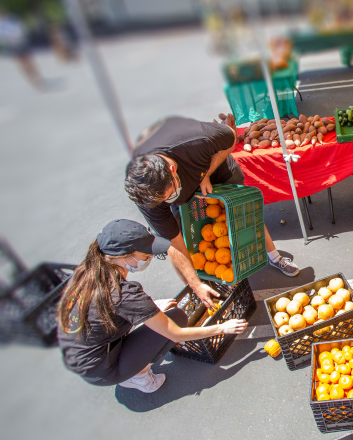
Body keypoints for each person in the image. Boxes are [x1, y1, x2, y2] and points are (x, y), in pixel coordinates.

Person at [124, 114, 300, 310]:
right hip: (177, 185)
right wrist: (195, 284)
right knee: (180, 236)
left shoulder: (194, 140)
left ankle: (275, 257)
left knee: (243, 215)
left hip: (217, 173)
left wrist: (206, 174)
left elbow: (230, 138)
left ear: (173, 170)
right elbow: (174, 243)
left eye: (168, 195)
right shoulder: (146, 193)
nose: (167, 201)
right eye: (161, 201)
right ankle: (194, 291)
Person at [58, 220, 248, 393]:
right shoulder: (123, 295)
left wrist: (150, 309)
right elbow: (175, 333)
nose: (150, 255)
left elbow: (107, 308)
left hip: (79, 349)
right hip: (101, 368)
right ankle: (136, 376)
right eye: (145, 252)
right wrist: (222, 328)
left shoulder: (90, 269)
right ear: (125, 257)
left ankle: (131, 357)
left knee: (142, 295)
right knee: (177, 318)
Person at [0, 11, 42, 88]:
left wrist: (20, 36)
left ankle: (37, 76)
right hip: (12, 45)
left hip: (20, 42)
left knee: (28, 60)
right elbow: (2, 37)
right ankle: (32, 79)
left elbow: (21, 27)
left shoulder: (12, 19)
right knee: (22, 63)